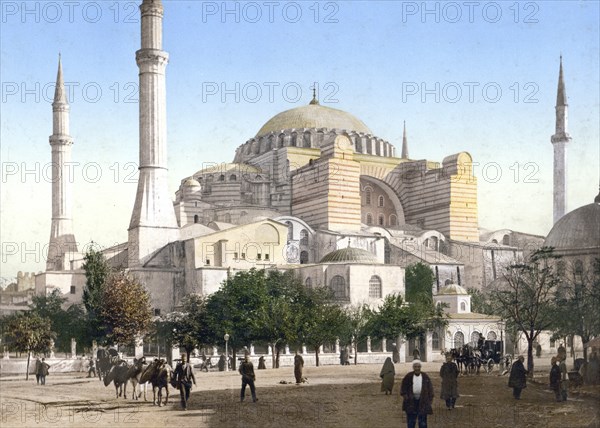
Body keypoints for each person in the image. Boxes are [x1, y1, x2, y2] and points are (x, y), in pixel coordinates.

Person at [400, 359, 434, 428]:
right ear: (413, 367)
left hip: (422, 402)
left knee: (423, 422)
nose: (417, 368)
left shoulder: (425, 376)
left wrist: (429, 400)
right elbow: (403, 389)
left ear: (420, 367)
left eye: (418, 367)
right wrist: (406, 397)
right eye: (415, 367)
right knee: (411, 421)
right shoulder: (408, 376)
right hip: (411, 402)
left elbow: (430, 389)